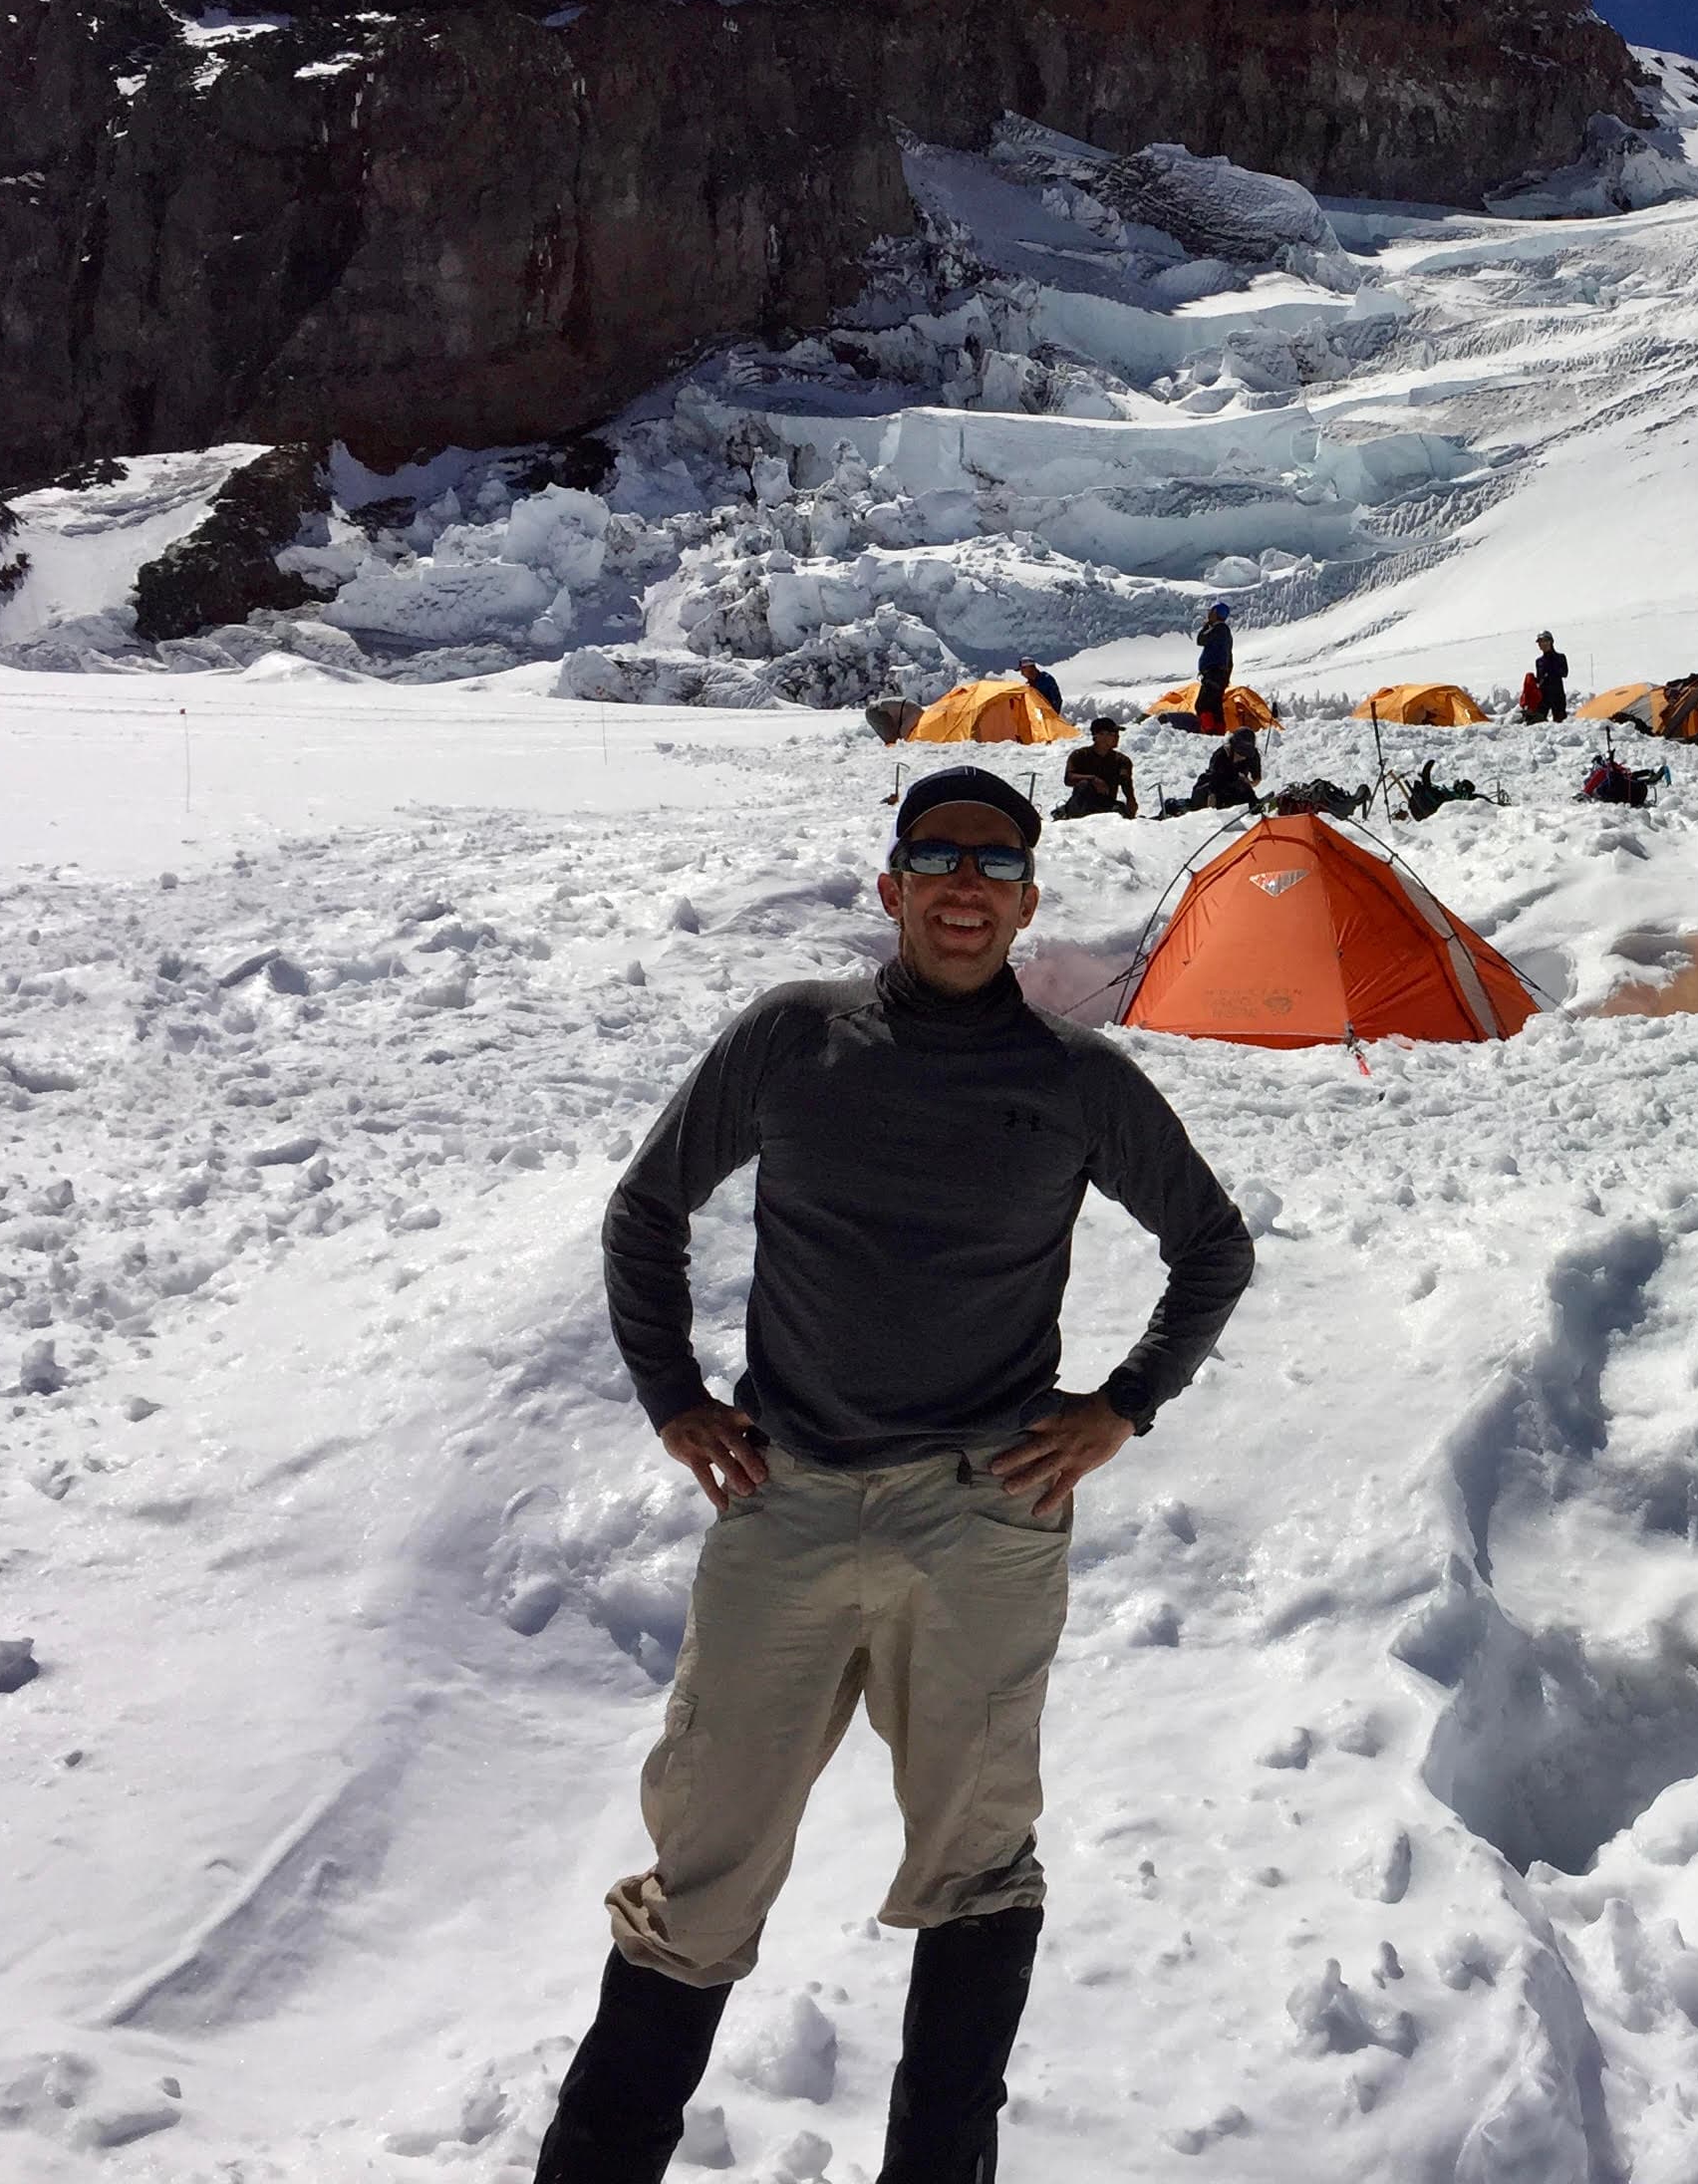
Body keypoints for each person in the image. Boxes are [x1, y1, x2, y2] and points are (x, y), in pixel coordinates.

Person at [532, 764, 1255, 2184]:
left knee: (977, 1874)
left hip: (983, 1520)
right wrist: (674, 1397)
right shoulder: (795, 1041)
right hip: (785, 1505)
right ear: (894, 888)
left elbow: (1213, 1250)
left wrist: (1123, 1408)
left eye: (994, 864)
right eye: (937, 858)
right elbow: (645, 1210)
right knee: (703, 1880)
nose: (966, 886)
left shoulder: (1076, 1083)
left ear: (1029, 901)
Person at [1160, 725, 1263, 817]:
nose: (1243, 757)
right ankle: (1172, 806)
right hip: (1210, 787)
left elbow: (1257, 778)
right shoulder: (1220, 756)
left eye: (1245, 755)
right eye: (1239, 754)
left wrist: (1248, 783)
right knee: (1195, 808)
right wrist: (1211, 814)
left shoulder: (1252, 756)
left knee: (1244, 792)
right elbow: (1213, 786)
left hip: (1234, 787)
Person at [1054, 716, 1137, 820]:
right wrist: (1092, 779)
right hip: (1081, 803)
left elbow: (1126, 783)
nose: (1117, 737)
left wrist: (1131, 801)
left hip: (1105, 804)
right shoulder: (1080, 755)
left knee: (1120, 810)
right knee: (1084, 785)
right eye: (1113, 734)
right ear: (1099, 736)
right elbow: (1068, 779)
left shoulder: (1122, 760)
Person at [1193, 602, 1234, 734]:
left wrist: (1206, 625)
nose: (1208, 614)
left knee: (1202, 705)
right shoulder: (1226, 632)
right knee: (1215, 706)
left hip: (1213, 673)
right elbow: (1229, 657)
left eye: (1211, 612)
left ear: (1215, 613)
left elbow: (1201, 640)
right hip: (1220, 675)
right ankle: (1219, 732)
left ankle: (1208, 731)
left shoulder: (1218, 629)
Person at [1530, 631, 1569, 724]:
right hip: (1543, 697)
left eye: (1544, 641)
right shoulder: (1539, 661)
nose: (1541, 644)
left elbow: (1565, 673)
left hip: (1557, 695)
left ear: (1551, 642)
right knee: (1538, 723)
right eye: (1540, 642)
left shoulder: (1560, 657)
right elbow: (1539, 679)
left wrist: (1551, 670)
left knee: (1560, 724)